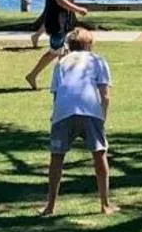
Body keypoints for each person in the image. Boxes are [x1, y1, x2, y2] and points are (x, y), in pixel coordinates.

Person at [41, 26, 114, 216]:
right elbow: (105, 95)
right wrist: (102, 117)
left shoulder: (62, 62)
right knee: (99, 154)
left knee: (57, 157)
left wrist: (55, 115)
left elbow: (57, 94)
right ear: (89, 44)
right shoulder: (98, 61)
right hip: (90, 110)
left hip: (64, 112)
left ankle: (50, 206)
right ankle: (105, 204)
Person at [24, 0, 88, 90]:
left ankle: (63, 79)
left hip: (63, 22)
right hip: (57, 22)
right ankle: (33, 75)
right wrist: (78, 9)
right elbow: (60, 1)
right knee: (55, 51)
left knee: (63, 52)